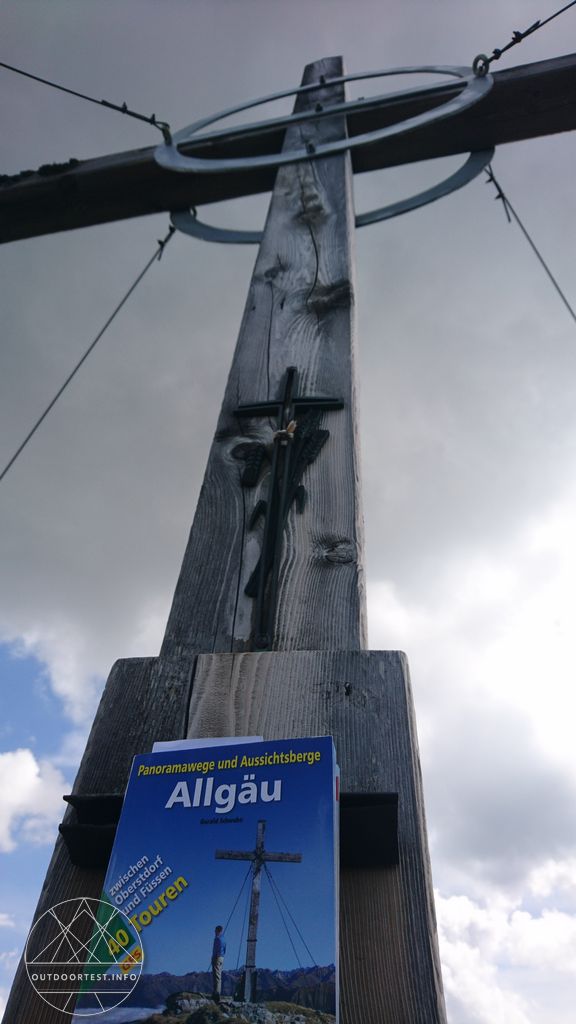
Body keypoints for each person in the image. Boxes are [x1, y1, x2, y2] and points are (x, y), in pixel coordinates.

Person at [211, 924, 226, 1003]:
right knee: (219, 974)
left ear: (217, 930)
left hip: (217, 957)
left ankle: (216, 994)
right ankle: (217, 992)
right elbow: (224, 949)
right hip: (221, 958)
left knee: (216, 975)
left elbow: (216, 949)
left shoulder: (217, 939)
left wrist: (215, 957)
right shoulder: (224, 939)